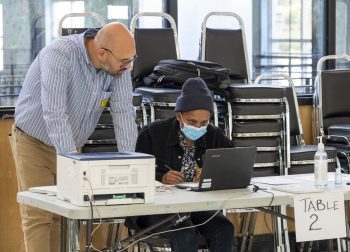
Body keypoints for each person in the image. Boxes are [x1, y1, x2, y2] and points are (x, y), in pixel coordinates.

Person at [10, 22, 138, 252]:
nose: (129, 67)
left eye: (132, 60)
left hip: (71, 145)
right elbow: (55, 114)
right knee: (40, 217)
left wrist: (131, 166)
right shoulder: (60, 55)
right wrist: (72, 166)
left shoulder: (118, 65)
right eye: (125, 62)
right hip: (33, 141)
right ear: (102, 53)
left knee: (64, 216)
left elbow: (124, 113)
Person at [133, 77, 235, 252]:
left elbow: (233, 166)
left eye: (204, 123)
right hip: (158, 208)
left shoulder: (214, 135)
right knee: (185, 233)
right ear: (178, 115)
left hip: (198, 206)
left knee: (224, 228)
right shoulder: (152, 134)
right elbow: (135, 177)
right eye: (192, 122)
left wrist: (211, 173)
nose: (198, 127)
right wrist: (161, 177)